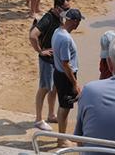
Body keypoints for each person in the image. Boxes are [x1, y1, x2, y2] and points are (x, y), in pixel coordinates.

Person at [29, 0, 71, 131]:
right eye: (66, 8)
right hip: (46, 60)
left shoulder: (60, 17)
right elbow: (33, 35)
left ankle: (51, 114)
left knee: (54, 88)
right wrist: (40, 51)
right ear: (57, 8)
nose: (68, 11)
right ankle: (38, 119)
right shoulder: (47, 19)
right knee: (44, 88)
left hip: (55, 59)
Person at [51, 8, 84, 137]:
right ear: (75, 22)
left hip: (59, 74)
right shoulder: (65, 39)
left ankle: (61, 135)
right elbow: (66, 64)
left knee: (62, 105)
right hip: (66, 77)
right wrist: (75, 83)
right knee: (65, 108)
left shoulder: (57, 31)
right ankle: (62, 138)